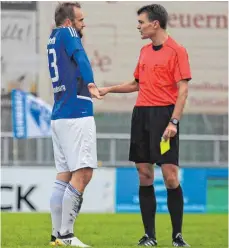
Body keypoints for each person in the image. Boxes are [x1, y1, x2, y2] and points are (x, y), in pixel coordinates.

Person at [99, 4, 191, 247]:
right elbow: (136, 84)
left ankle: (177, 236)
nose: (138, 26)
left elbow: (183, 90)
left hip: (164, 117)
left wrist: (174, 122)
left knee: (170, 176)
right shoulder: (144, 51)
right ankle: (149, 235)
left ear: (155, 24)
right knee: (144, 174)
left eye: (141, 22)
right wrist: (108, 89)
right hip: (141, 116)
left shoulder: (177, 51)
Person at [47, 2, 102, 247]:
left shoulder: (53, 38)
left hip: (60, 114)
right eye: (80, 20)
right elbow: (79, 56)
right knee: (84, 172)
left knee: (64, 175)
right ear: (69, 22)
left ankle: (56, 235)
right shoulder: (68, 34)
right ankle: (66, 236)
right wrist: (91, 82)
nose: (83, 24)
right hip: (76, 112)